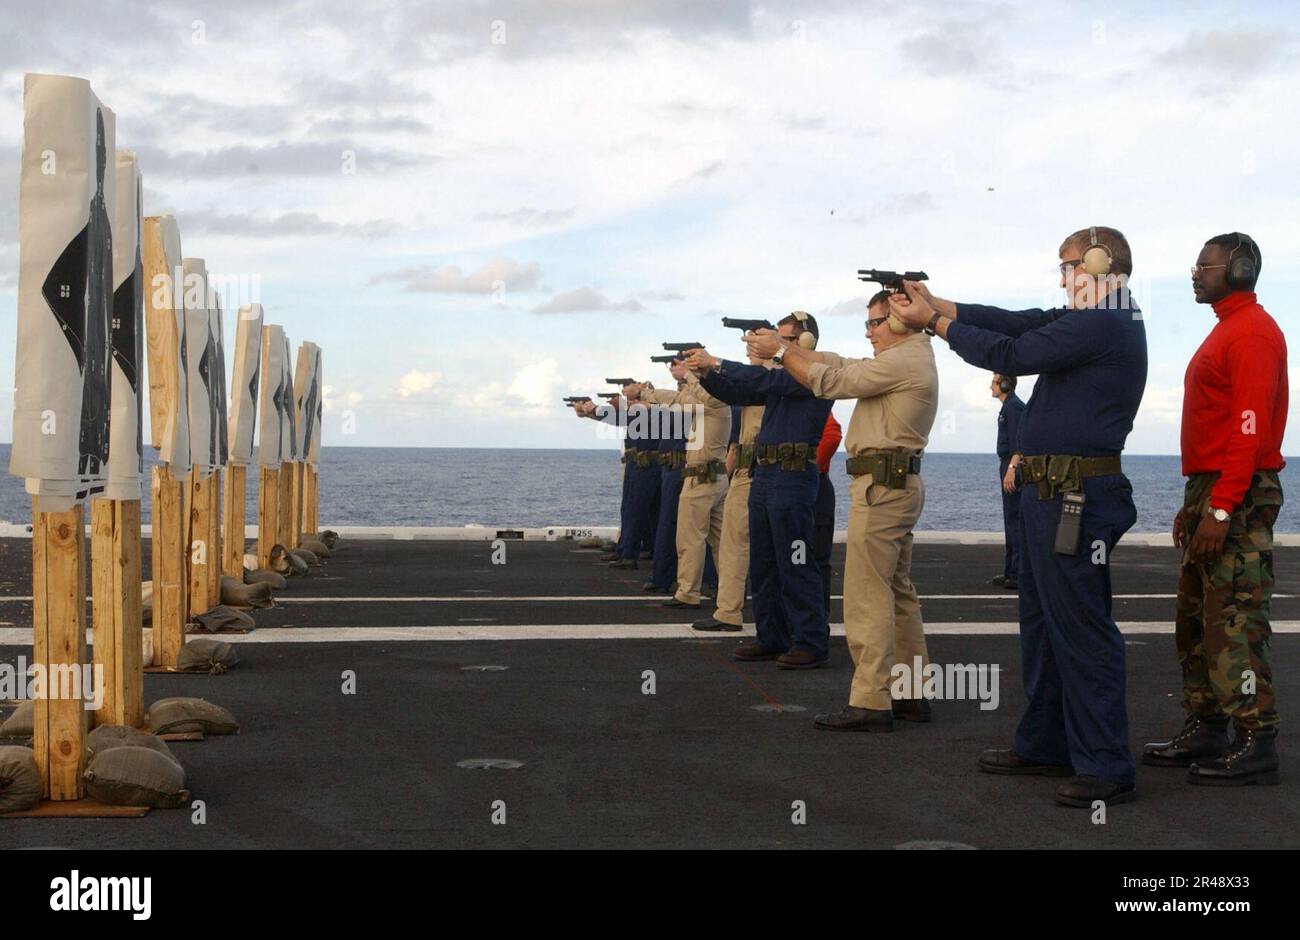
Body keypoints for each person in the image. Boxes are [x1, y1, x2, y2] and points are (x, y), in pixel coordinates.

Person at [888, 225, 1147, 807]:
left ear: (1101, 264)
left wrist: (934, 323)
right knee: (1043, 625)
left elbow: (1012, 352)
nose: (1062, 276)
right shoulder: (1096, 318)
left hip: (1072, 498)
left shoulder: (1104, 319)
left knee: (1079, 631)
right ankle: (1047, 741)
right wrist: (939, 303)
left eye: (1068, 266)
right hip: (1052, 495)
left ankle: (1106, 764)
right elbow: (1017, 320)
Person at [747, 294, 937, 728]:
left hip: (882, 488)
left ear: (903, 320)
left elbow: (831, 381)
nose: (868, 331)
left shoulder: (901, 361)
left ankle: (871, 700)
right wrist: (790, 347)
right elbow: (838, 362)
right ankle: (910, 692)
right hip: (894, 483)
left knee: (867, 595)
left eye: (875, 322)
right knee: (898, 593)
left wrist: (780, 351)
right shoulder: (907, 356)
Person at [1143, 233, 1286, 787]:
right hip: (1214, 485)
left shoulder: (1251, 333)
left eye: (1206, 265)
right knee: (1198, 617)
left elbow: (1247, 431)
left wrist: (1222, 508)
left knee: (1234, 620)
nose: (1194, 272)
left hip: (1238, 490)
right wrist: (1198, 502)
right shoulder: (1229, 329)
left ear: (1241, 269)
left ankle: (1257, 739)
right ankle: (1206, 725)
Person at [688, 312, 834, 669]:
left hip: (794, 477)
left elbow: (760, 380)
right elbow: (742, 389)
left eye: (784, 338)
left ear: (805, 341)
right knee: (765, 564)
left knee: (796, 563)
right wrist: (707, 374)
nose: (775, 345)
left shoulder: (817, 371)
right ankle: (772, 636)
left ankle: (811, 641)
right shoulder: (780, 376)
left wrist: (717, 362)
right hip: (766, 475)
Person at [625, 369, 731, 611]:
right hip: (715, 478)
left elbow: (677, 399)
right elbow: (679, 399)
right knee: (722, 543)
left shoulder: (712, 402)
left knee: (690, 539)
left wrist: (646, 391)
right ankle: (729, 591)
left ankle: (687, 592)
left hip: (699, 478)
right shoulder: (715, 403)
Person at [693, 356, 767, 632]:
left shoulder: (777, 377)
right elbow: (735, 441)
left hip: (767, 470)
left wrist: (715, 364)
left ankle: (737, 612)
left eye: (754, 343)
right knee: (733, 544)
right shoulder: (752, 383)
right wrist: (705, 373)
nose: (750, 351)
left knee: (767, 550)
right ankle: (728, 610)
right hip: (746, 470)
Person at [646, 358, 691, 593]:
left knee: (676, 526)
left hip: (682, 466)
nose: (673, 368)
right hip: (670, 466)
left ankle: (666, 578)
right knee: (671, 525)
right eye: (671, 365)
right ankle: (664, 576)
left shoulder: (697, 396)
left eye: (677, 363)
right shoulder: (680, 396)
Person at [991, 373, 1025, 590]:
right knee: (1009, 519)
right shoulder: (1008, 407)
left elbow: (1019, 444)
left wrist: (1012, 469)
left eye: (994, 382)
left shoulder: (1014, 408)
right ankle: (1010, 571)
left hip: (1012, 466)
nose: (990, 386)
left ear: (1004, 384)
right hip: (1006, 464)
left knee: (1014, 520)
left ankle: (1017, 573)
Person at [814, 412, 843, 619]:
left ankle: (815, 621)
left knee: (813, 560)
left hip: (813, 487)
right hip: (813, 485)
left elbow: (832, 434)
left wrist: (807, 469)